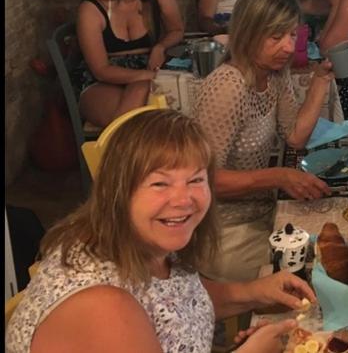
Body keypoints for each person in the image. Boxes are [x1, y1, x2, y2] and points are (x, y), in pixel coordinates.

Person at [5, 109, 316, 353]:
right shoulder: (103, 306)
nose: (184, 200)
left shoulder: (140, 241)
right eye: (159, 183)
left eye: (196, 180)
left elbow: (176, 300)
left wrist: (254, 292)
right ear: (119, 192)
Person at [193, 0, 332, 282]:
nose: (287, 46)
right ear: (249, 33)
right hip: (223, 232)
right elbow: (205, 180)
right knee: (316, 266)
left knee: (332, 240)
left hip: (261, 213)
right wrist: (279, 176)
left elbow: (295, 135)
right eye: (275, 36)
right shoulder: (227, 86)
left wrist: (321, 79)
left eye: (292, 34)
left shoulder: (272, 73)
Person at [76, 0, 184, 127]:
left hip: (147, 67)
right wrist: (147, 77)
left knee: (139, 117)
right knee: (138, 110)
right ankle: (126, 150)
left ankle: (119, 151)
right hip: (104, 79)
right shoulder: (91, 9)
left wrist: (160, 47)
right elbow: (101, 70)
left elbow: (176, 30)